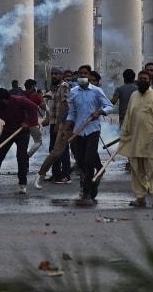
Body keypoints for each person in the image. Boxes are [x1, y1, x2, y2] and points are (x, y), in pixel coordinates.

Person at [65, 65, 114, 205]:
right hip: (77, 130)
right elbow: (72, 112)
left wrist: (100, 112)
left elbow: (109, 106)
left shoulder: (97, 91)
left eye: (85, 73)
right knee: (80, 162)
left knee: (88, 161)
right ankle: (90, 184)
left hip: (93, 129)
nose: (82, 75)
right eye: (80, 73)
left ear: (89, 75)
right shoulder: (73, 92)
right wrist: (67, 125)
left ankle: (86, 192)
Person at [118, 70, 153, 207]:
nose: (143, 81)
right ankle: (140, 197)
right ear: (137, 80)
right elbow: (128, 116)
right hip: (134, 139)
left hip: (152, 140)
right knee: (136, 169)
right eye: (140, 79)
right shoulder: (134, 95)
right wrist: (124, 135)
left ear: (150, 81)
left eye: (145, 79)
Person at [0, 88, 39, 194]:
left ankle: (22, 185)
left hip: (22, 132)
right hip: (8, 131)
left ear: (3, 100)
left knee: (21, 156)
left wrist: (27, 122)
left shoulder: (19, 100)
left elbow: (34, 108)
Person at [36, 67, 72, 187]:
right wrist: (48, 119)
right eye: (52, 74)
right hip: (54, 123)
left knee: (62, 149)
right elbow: (52, 105)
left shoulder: (64, 86)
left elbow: (65, 105)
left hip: (61, 124)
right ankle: (56, 174)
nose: (54, 76)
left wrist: (58, 123)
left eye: (56, 74)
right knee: (53, 149)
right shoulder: (54, 88)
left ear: (62, 75)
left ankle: (66, 175)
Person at [23, 79, 44, 157]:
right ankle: (27, 156)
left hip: (22, 123)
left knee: (23, 144)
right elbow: (43, 106)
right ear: (32, 86)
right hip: (32, 123)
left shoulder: (22, 94)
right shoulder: (35, 96)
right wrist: (41, 98)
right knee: (38, 141)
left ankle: (23, 159)